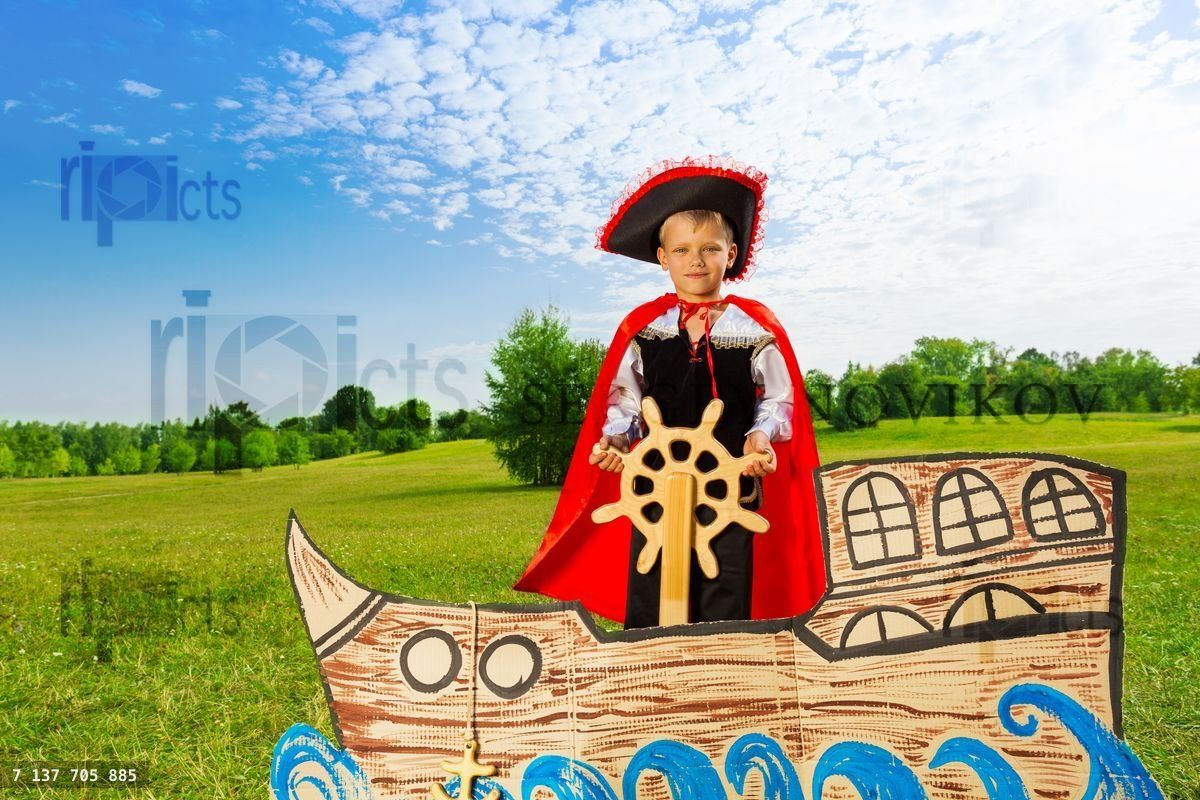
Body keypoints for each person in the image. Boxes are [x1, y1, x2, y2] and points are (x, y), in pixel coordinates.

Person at [514, 155, 825, 628]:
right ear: (662, 257)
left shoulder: (754, 328)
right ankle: (651, 682)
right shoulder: (645, 330)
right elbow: (624, 399)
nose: (695, 260)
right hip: (654, 486)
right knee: (653, 590)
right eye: (681, 250)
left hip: (730, 491)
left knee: (725, 596)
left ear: (732, 253)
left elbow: (778, 400)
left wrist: (760, 437)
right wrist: (617, 437)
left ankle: (722, 680)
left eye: (709, 248)